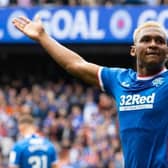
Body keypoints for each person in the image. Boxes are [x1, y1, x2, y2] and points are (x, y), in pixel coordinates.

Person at [12, 15, 168, 167]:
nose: (153, 44)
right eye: (146, 40)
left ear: (167, 52)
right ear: (133, 50)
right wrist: (43, 37)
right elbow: (76, 65)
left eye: (160, 41)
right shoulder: (120, 80)